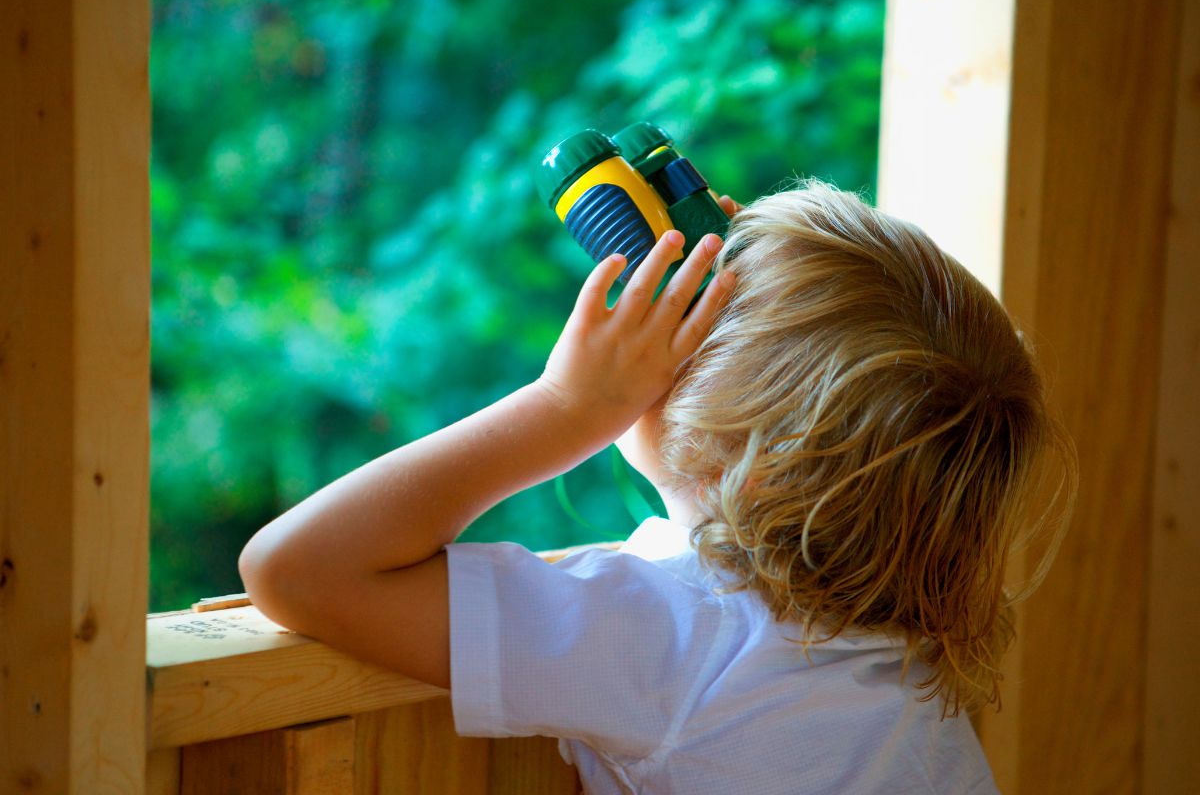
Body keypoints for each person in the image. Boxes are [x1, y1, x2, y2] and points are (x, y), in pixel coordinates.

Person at [239, 181, 1075, 794]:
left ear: (720, 440)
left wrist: (564, 409)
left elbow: (296, 568)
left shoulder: (676, 634)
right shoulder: (899, 639)